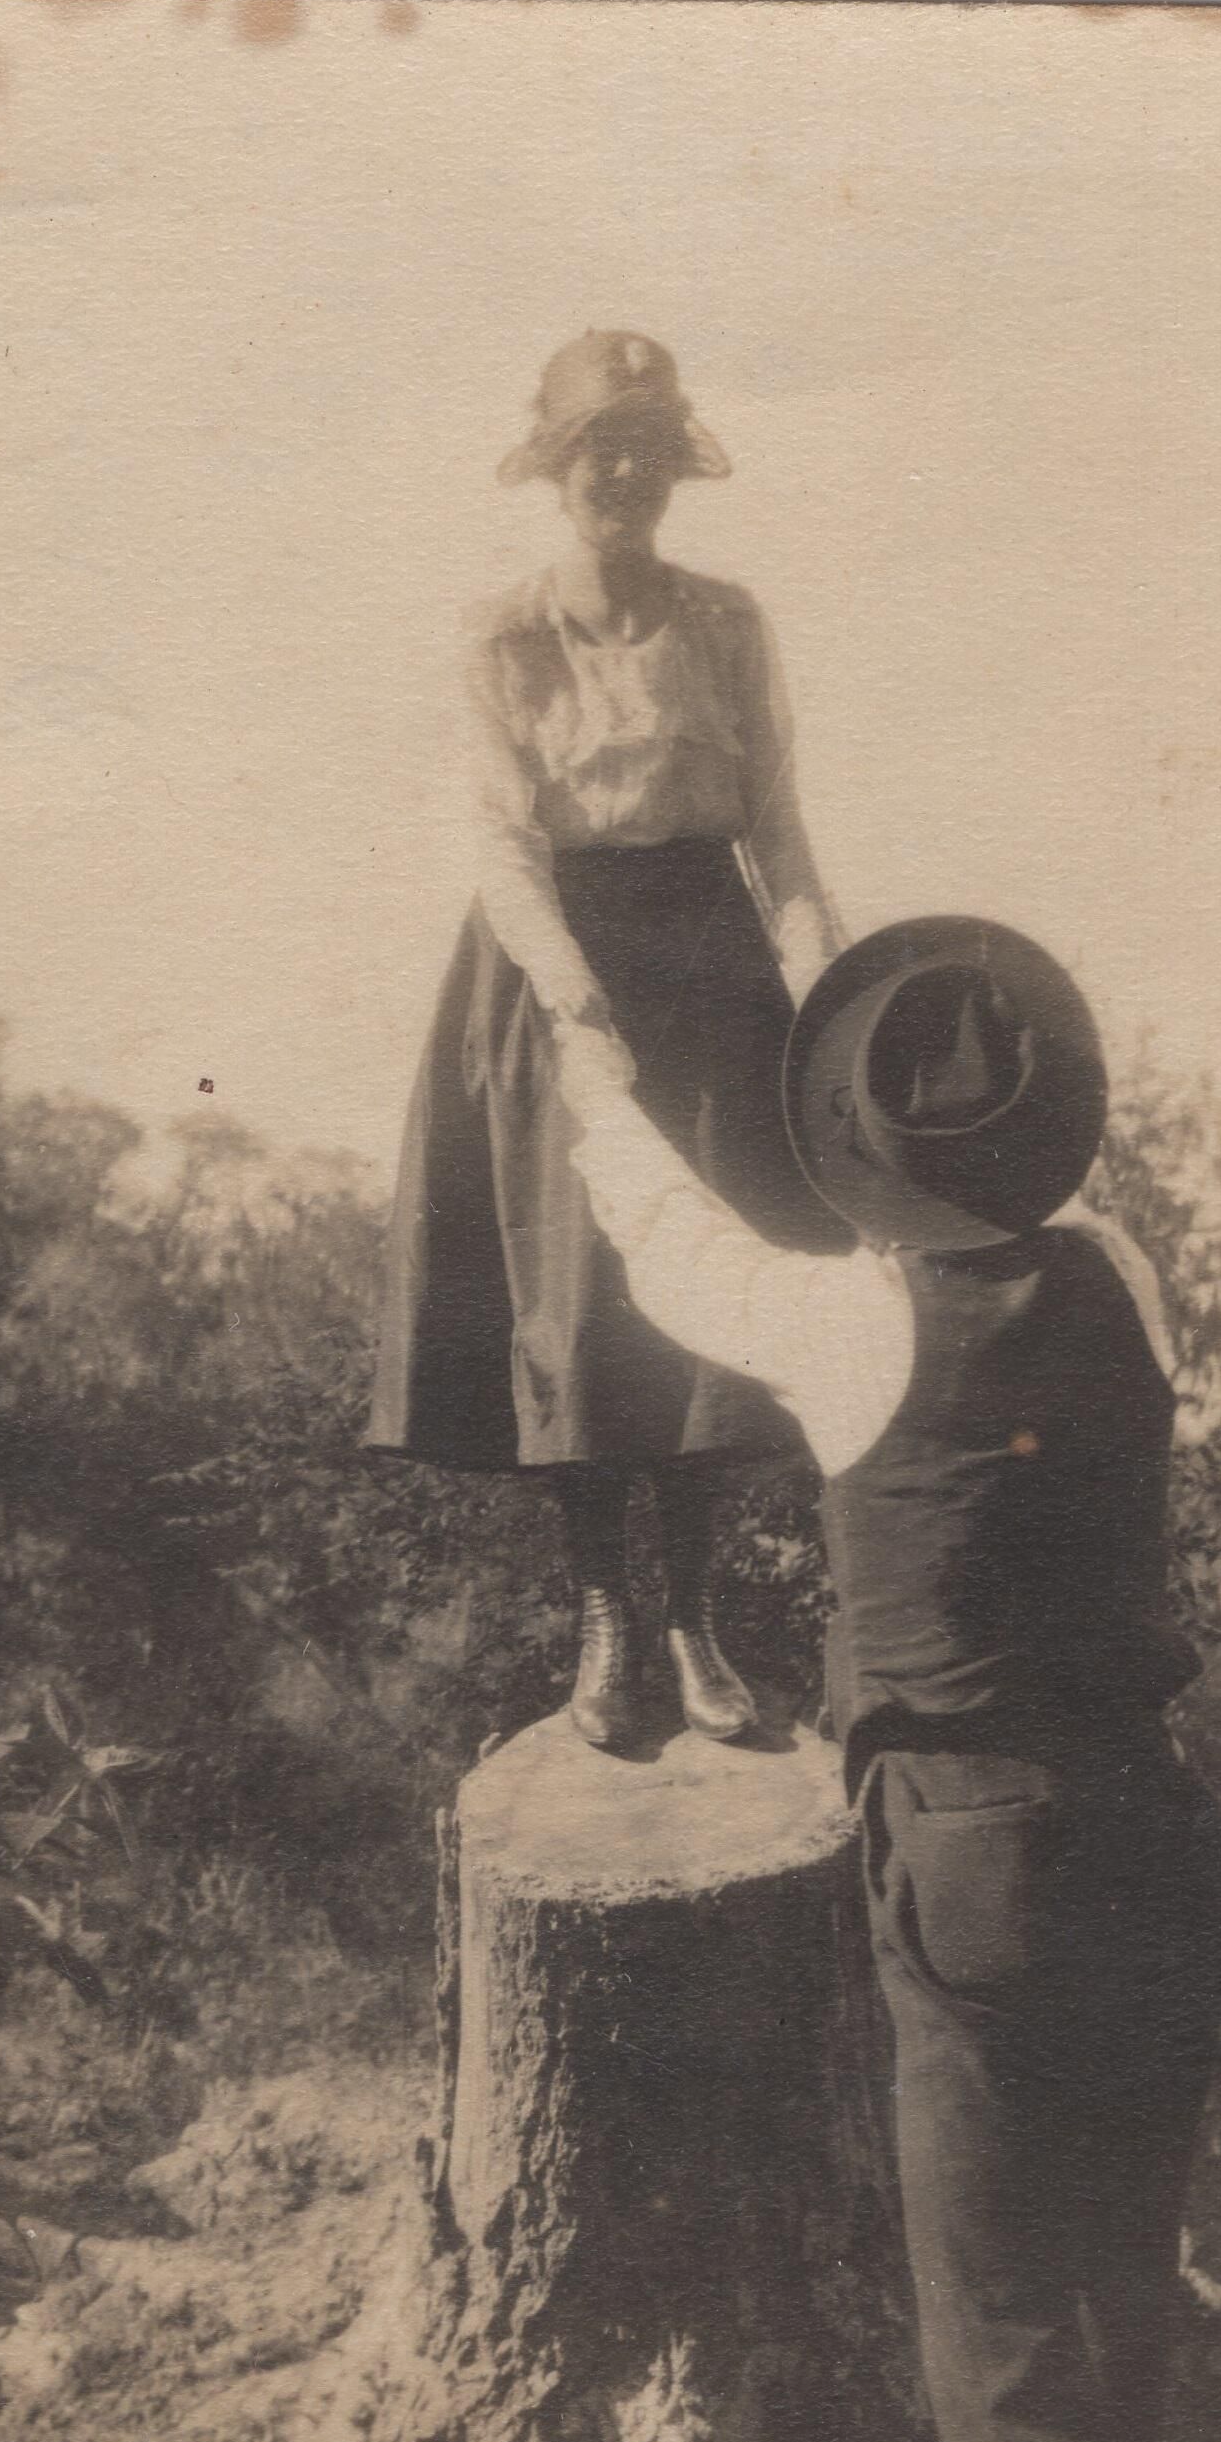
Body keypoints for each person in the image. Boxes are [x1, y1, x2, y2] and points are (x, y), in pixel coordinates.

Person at [548, 917, 1221, 2442]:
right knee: (1117, 2277)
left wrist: (590, 1082)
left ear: (865, 1154)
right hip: (1157, 1825)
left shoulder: (852, 1324)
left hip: (976, 1845)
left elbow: (669, 1244)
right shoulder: (1123, 1272)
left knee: (1001, 2333)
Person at [366, 330, 849, 1752]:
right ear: (557, 466)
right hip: (553, 976)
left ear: (676, 466)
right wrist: (577, 1001)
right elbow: (503, 844)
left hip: (712, 970)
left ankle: (693, 1617)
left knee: (711, 1295)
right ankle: (604, 1618)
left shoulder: (727, 624)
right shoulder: (503, 634)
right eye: (598, 451)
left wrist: (829, 993)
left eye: (646, 449)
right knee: (576, 1304)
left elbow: (779, 836)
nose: (623, 476)